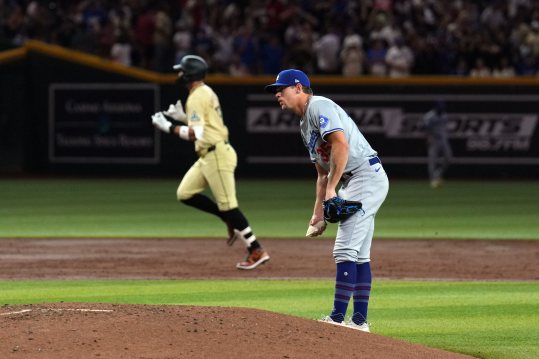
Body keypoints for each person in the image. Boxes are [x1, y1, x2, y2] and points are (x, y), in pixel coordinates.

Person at [265, 69, 389, 332]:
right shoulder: (304, 125)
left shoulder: (319, 105)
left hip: (364, 176)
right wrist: (318, 214)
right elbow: (321, 174)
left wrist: (334, 188)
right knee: (359, 255)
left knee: (344, 249)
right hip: (356, 180)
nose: (277, 93)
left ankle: (336, 319)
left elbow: (341, 146)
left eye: (281, 88)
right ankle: (358, 322)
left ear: (298, 88)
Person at [151, 55, 270, 270]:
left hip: (216, 154)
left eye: (182, 71)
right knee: (185, 193)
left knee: (229, 205)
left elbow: (196, 134)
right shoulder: (204, 92)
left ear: (189, 74)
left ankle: (256, 249)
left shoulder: (197, 96)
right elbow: (206, 125)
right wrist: (183, 119)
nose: (179, 74)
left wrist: (168, 127)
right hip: (208, 154)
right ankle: (228, 219)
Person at [421, 101, 452, 188]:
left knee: (448, 158)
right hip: (433, 140)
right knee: (432, 161)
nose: (441, 109)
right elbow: (424, 128)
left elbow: (444, 128)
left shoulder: (444, 115)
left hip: (443, 140)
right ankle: (433, 180)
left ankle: (437, 174)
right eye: (440, 107)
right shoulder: (429, 116)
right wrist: (428, 138)